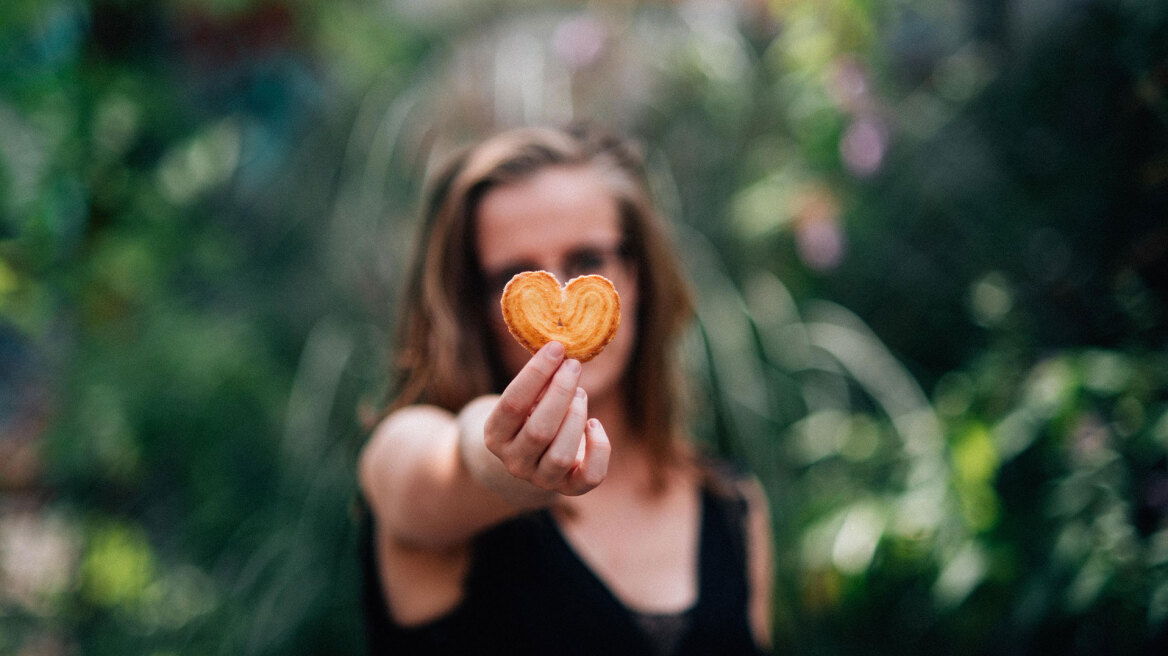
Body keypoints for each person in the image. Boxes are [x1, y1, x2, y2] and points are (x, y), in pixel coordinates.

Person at [358, 123, 773, 655]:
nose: (558, 294)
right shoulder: (410, 458)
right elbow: (446, 464)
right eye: (515, 273)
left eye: (588, 260)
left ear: (639, 275)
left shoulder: (733, 506)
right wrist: (507, 462)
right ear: (475, 308)